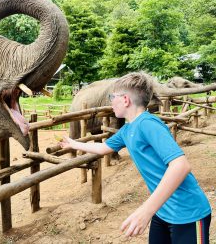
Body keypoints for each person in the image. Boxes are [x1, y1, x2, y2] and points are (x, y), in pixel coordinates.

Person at [59, 72, 211, 243]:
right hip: (162, 211)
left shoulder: (148, 124)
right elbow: (103, 148)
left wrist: (146, 211)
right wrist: (74, 144)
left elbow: (180, 166)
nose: (110, 101)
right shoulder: (127, 130)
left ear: (125, 100)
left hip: (187, 212)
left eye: (112, 97)